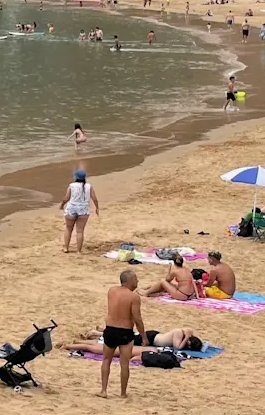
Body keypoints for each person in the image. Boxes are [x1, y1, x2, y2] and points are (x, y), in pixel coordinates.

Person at [99, 270, 144, 399]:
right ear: (129, 281)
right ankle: (123, 393)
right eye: (135, 279)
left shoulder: (112, 291)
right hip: (125, 332)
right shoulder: (133, 297)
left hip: (110, 329)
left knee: (106, 360)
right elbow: (137, 319)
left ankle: (103, 390)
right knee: (124, 364)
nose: (137, 281)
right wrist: (143, 336)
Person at [70, 325, 204, 360]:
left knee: (129, 335)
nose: (187, 345)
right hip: (152, 338)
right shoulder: (179, 333)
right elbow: (177, 347)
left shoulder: (183, 333)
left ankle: (100, 331)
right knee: (125, 337)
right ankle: (98, 333)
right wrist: (186, 337)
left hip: (154, 338)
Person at [60, 168, 97, 253]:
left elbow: (66, 198)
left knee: (68, 229)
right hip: (84, 209)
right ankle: (79, 250)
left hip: (72, 208)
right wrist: (97, 208)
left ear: (75, 177)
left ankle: (66, 248)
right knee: (80, 231)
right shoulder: (89, 186)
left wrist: (62, 205)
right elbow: (94, 198)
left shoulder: (72, 186)